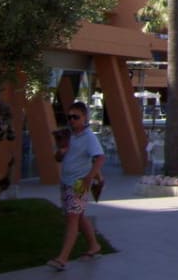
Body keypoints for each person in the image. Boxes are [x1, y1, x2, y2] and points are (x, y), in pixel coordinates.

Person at [47, 101, 105, 271]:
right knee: (78, 216)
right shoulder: (68, 135)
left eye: (75, 117)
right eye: (69, 117)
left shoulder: (89, 137)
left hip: (79, 183)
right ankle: (94, 246)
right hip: (66, 182)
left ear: (85, 117)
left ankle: (62, 258)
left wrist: (90, 177)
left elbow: (100, 158)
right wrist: (60, 151)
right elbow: (57, 158)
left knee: (72, 218)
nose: (72, 120)